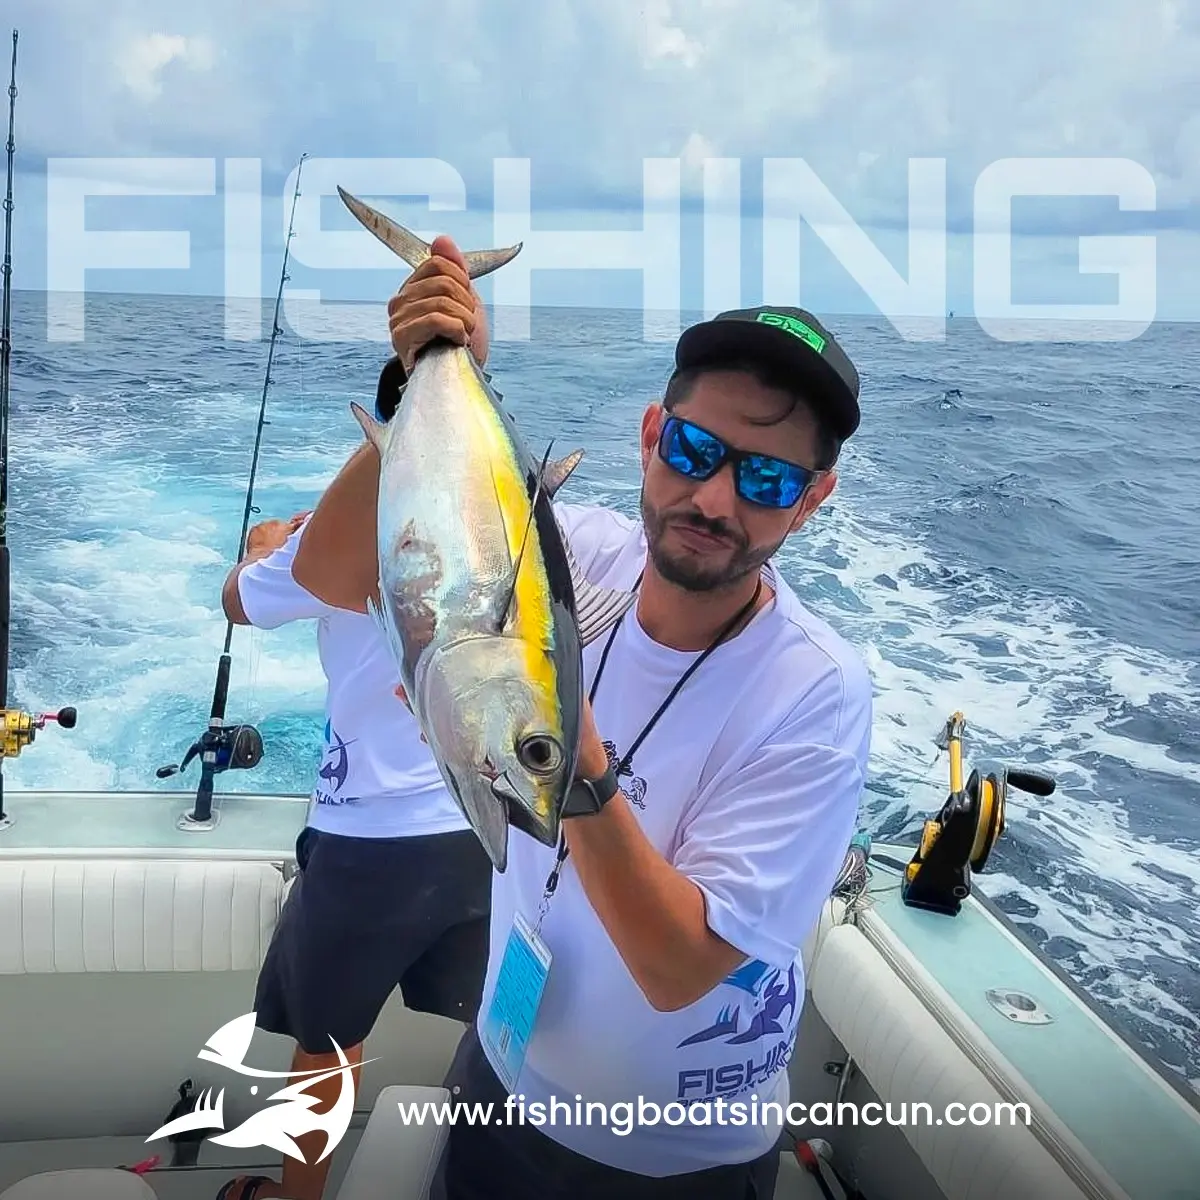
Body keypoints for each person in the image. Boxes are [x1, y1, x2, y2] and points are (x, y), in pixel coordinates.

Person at [291, 237, 873, 1199]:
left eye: (767, 480)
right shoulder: (572, 553)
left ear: (812, 500)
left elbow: (679, 966)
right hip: (499, 1081)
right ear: (652, 435)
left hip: (668, 1164)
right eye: (694, 451)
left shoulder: (813, 693)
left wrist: (560, 744)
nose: (715, 498)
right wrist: (420, 381)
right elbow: (327, 573)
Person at [212, 404, 493, 1200]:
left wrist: (268, 548)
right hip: (489, 822)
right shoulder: (497, 521)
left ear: (379, 430)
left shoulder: (328, 542)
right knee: (495, 1030)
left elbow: (238, 600)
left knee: (328, 1044)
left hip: (370, 841)